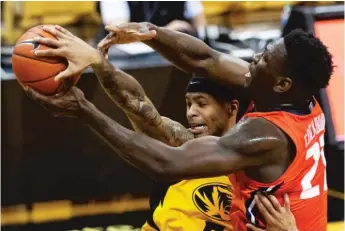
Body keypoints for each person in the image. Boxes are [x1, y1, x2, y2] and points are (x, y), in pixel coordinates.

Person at [27, 24, 331, 231]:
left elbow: (167, 164)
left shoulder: (261, 138)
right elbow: (205, 59)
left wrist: (84, 110)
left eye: (265, 59)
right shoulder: (297, 99)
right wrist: (150, 33)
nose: (254, 58)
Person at [99, 1, 206, 36]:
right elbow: (119, 31)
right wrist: (165, 32)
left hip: (174, 57)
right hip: (127, 63)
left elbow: (201, 26)